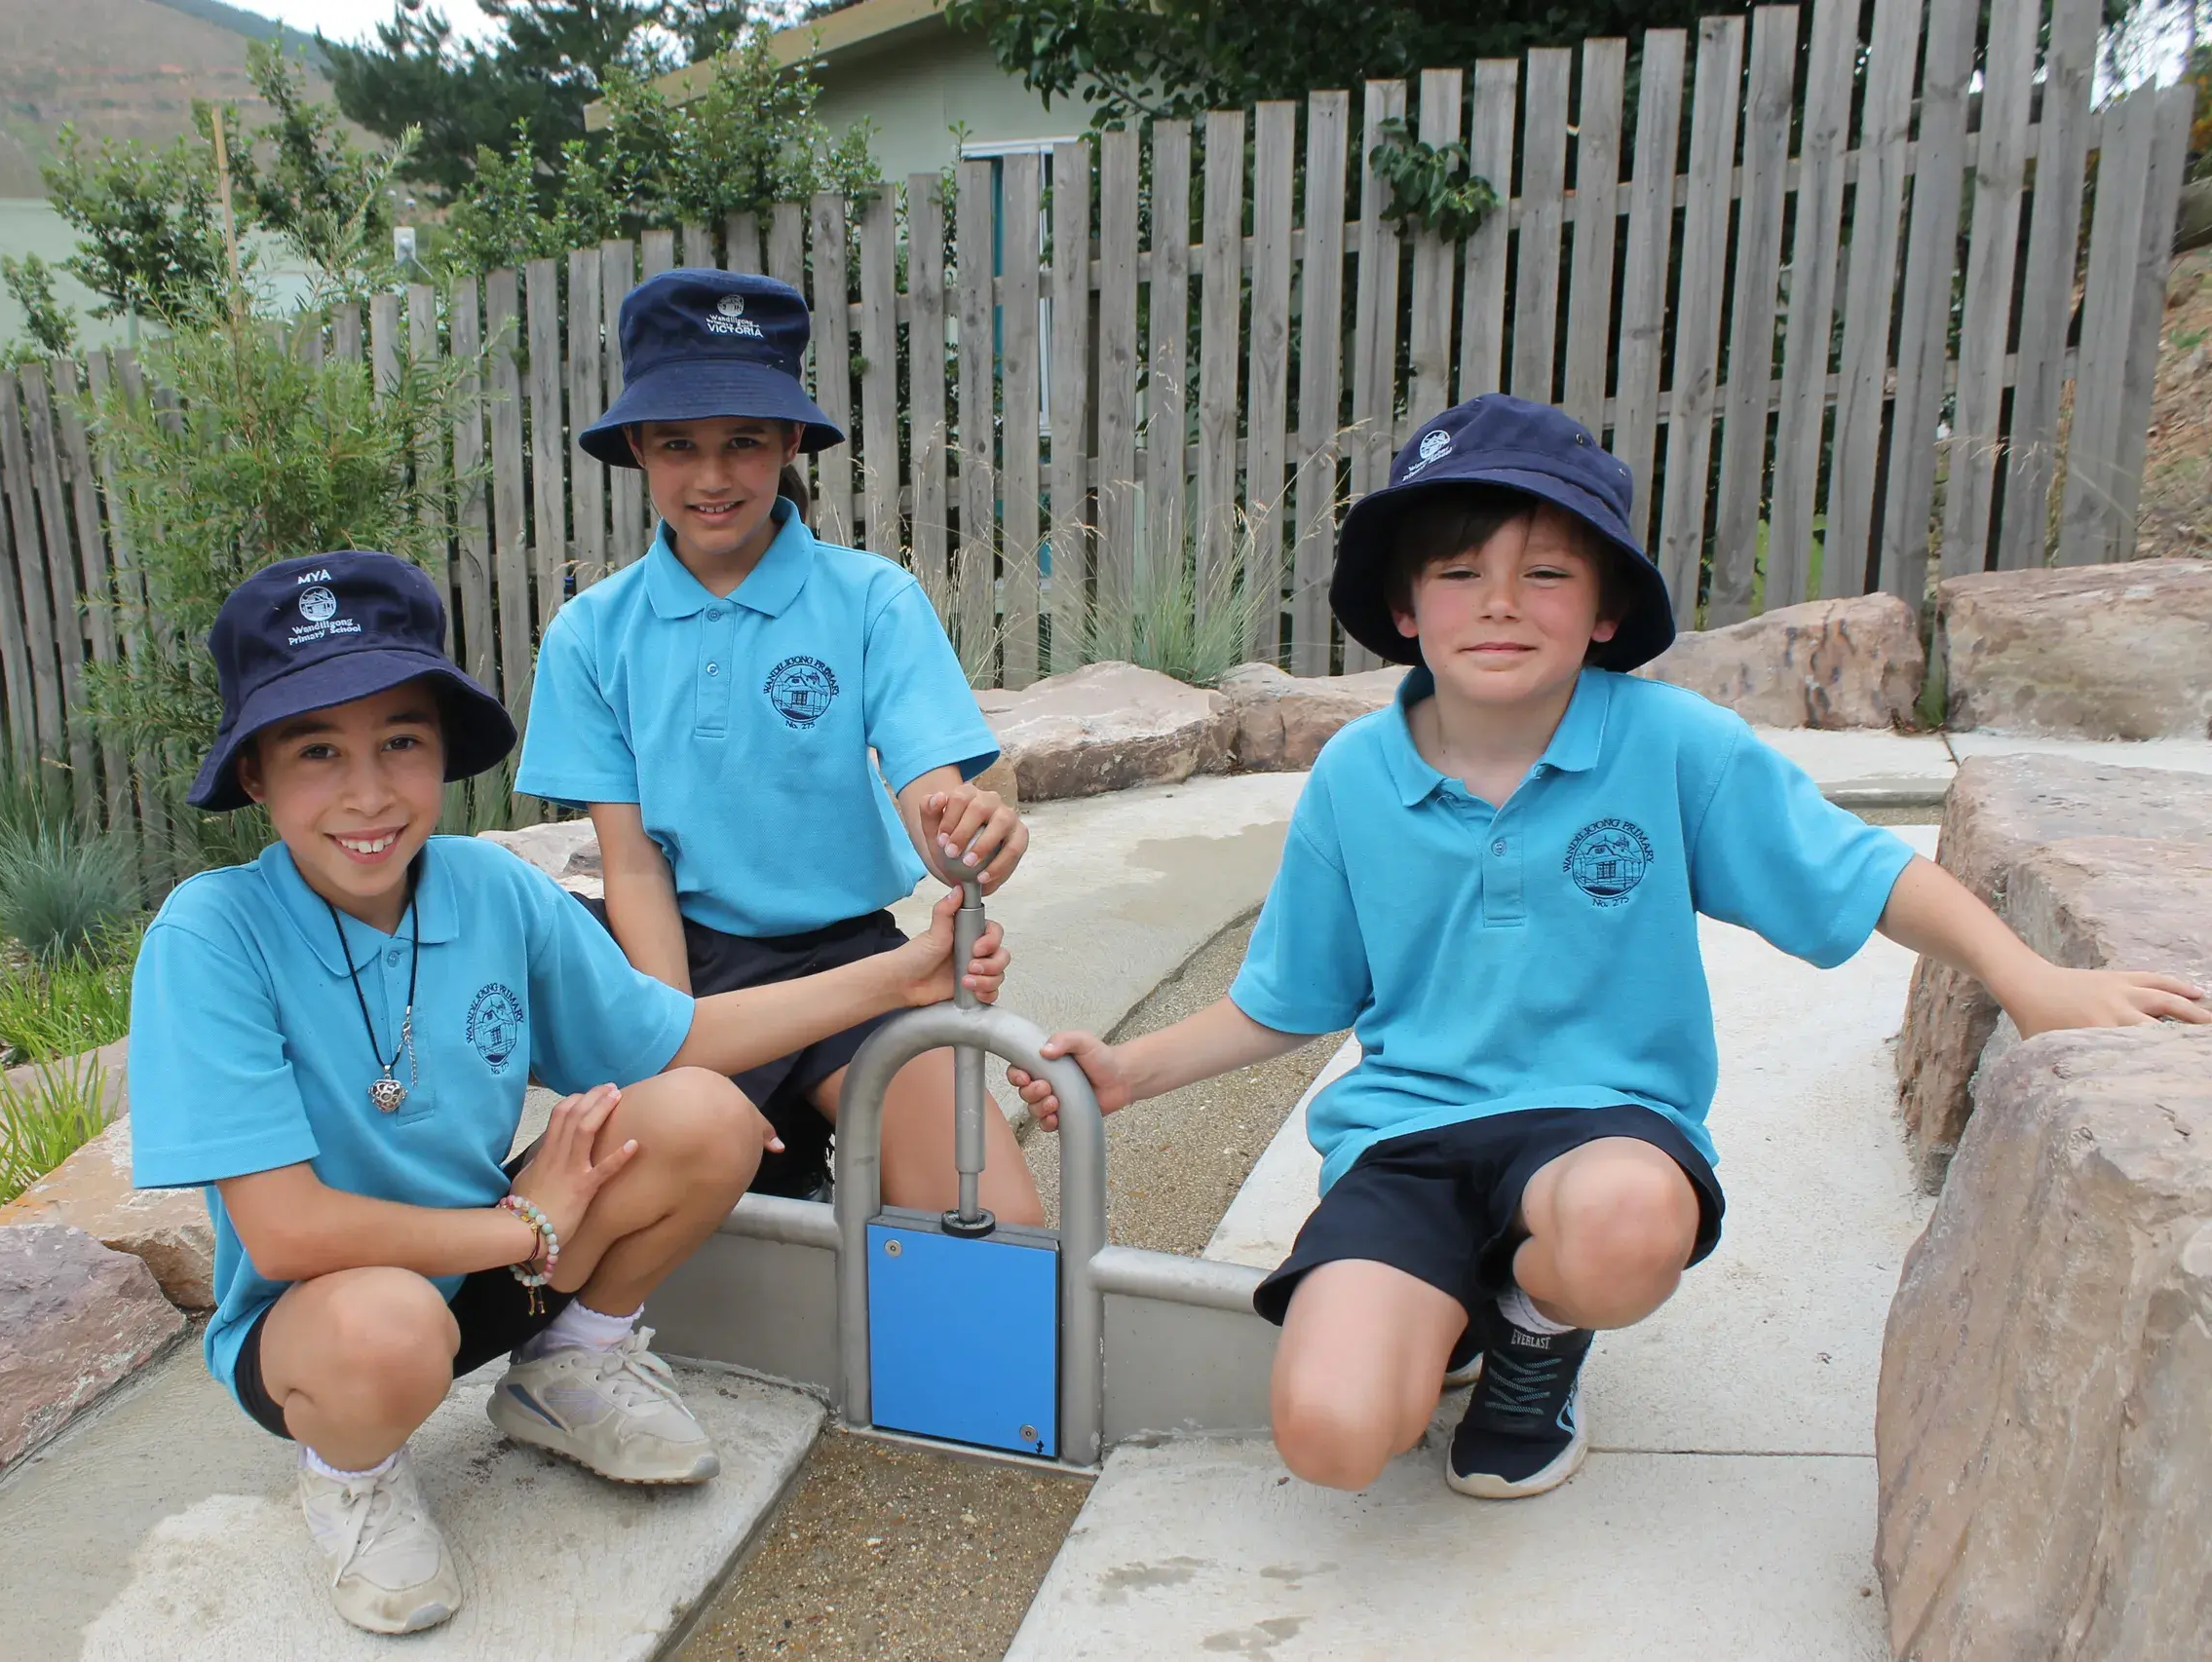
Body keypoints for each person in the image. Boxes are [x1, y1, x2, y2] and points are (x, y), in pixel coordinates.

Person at [1010, 393, 2210, 1502]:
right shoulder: (1354, 776)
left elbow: (1861, 871)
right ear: (1403, 606)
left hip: (1601, 1127)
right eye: (1458, 571)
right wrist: (1127, 1070)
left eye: (1544, 571)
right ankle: (1457, 1303)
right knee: (1331, 1436)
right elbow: (1291, 993)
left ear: (1604, 610)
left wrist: (2028, 975)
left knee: (1625, 1226)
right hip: (1409, 1137)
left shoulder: (1671, 742)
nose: (1499, 601)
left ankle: (1536, 1333)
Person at [129, 550, 1010, 1635]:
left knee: (704, 1113)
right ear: (255, 774)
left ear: (441, 750)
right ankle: (351, 1474)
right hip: (333, 1321)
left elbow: (675, 1037)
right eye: (318, 752)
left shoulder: (489, 887)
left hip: (500, 1260)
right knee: (385, 1328)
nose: (368, 792)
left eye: (401, 741)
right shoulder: (212, 935)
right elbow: (287, 1231)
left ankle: (569, 1362)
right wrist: (526, 1224)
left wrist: (902, 976)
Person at [516, 267, 1043, 1224]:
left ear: (791, 440)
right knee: (634, 1202)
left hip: (853, 961)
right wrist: (672, 1043)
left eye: (744, 441)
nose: (712, 477)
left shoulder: (873, 600)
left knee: (996, 1229)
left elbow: (933, 804)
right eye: (679, 444)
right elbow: (631, 864)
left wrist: (968, 836)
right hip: (683, 959)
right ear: (637, 447)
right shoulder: (591, 633)